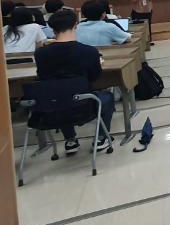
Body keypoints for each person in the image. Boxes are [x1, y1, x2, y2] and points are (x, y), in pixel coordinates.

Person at [35, 9, 115, 154]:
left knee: (60, 95)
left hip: (53, 107)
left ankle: (70, 140)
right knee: (108, 97)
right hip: (85, 105)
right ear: (75, 25)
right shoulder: (89, 51)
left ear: (52, 28)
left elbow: (42, 77)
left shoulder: (40, 53)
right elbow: (95, 77)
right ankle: (101, 137)